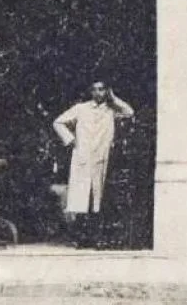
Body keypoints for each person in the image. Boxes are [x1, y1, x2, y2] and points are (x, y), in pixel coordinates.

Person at [53, 80, 134, 248]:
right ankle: (82, 238)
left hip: (101, 157)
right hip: (83, 157)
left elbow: (129, 112)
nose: (98, 93)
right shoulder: (81, 108)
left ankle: (97, 238)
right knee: (82, 197)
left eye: (102, 89)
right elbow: (58, 122)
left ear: (107, 91)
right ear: (90, 91)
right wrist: (70, 139)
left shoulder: (112, 110)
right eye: (95, 89)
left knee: (98, 198)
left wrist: (113, 98)